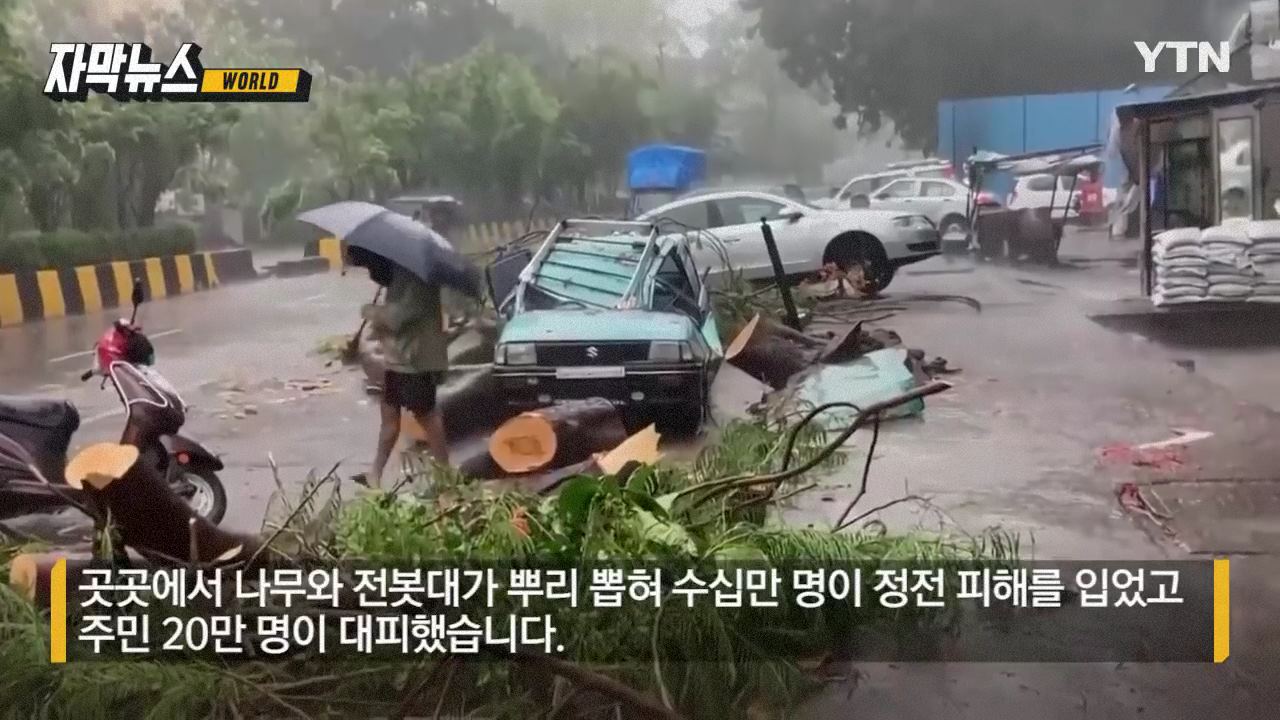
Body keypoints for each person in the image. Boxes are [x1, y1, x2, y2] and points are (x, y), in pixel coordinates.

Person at [353, 258, 450, 488]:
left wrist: (371, 311)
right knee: (389, 417)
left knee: (427, 416)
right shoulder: (400, 277)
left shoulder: (416, 280)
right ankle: (374, 474)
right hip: (397, 360)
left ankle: (446, 475)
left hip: (415, 360)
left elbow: (397, 319)